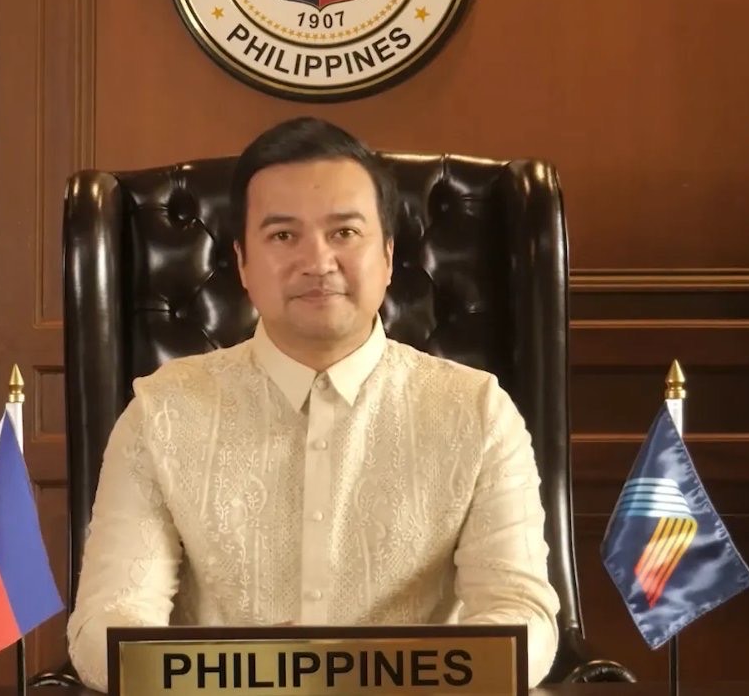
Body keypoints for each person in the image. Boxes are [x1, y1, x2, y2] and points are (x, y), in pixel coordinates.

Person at [65, 117, 560, 689]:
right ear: (242, 263)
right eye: (283, 236)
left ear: (388, 255)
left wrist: (356, 672)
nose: (318, 261)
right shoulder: (161, 414)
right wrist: (258, 671)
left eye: (344, 232)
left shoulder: (477, 411)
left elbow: (523, 620)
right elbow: (105, 628)